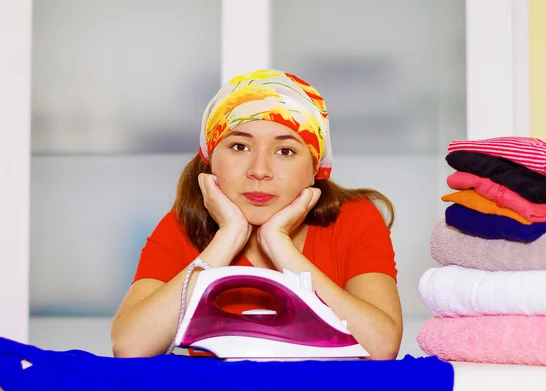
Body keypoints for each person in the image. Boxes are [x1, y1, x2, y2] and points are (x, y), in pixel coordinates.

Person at [110, 69, 403, 360]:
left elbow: (381, 346)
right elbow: (130, 347)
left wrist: (280, 246)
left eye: (285, 151)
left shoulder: (354, 218)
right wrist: (228, 237)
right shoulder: (183, 225)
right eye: (240, 146)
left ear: (315, 168)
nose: (259, 170)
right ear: (211, 160)